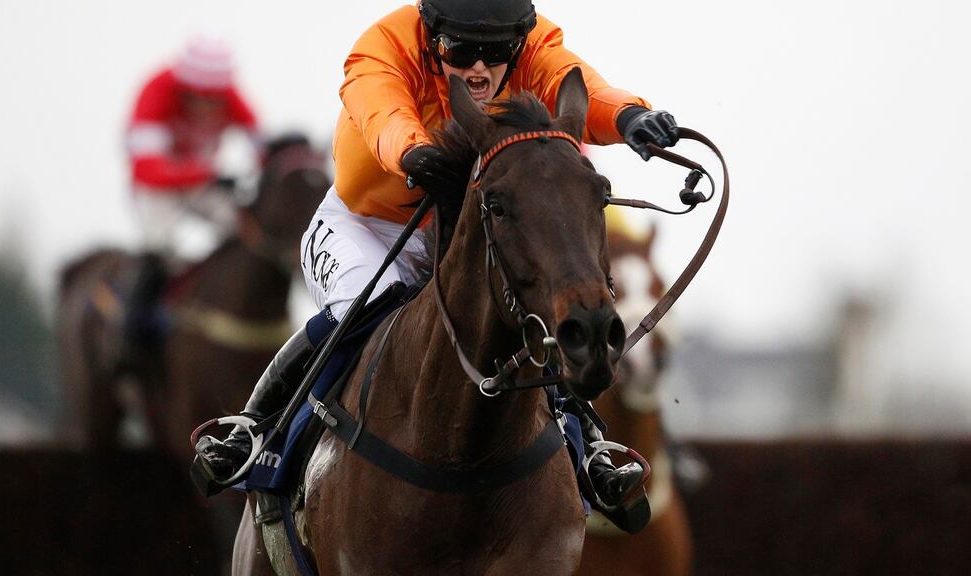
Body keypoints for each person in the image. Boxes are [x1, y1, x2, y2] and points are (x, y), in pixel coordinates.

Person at [192, 0, 678, 534]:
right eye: (459, 50)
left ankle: (589, 448)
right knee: (362, 307)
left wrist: (631, 114)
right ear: (429, 36)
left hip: (458, 230)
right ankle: (255, 426)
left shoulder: (532, 45)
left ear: (517, 42)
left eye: (495, 54)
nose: (477, 68)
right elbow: (382, 113)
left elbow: (575, 79)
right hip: (367, 227)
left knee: (518, 318)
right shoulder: (382, 45)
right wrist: (415, 154)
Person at [123, 36, 261, 352]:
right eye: (199, 97)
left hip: (199, 181)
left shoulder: (230, 96)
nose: (208, 106)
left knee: (242, 228)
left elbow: (260, 142)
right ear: (183, 87)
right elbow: (147, 170)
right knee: (161, 246)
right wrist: (210, 174)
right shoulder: (154, 91)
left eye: (215, 98)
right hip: (157, 186)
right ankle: (133, 326)